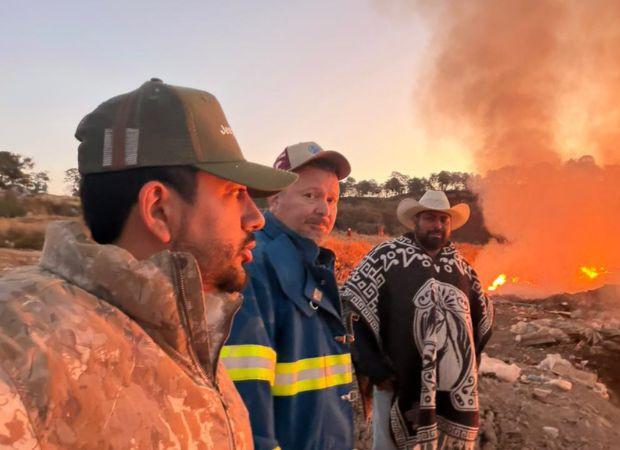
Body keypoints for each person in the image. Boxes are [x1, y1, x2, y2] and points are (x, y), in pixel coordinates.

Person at [0, 78, 297, 448]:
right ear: (158, 209)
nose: (257, 218)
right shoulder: (18, 353)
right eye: (233, 193)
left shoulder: (181, 331)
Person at [222, 142, 355, 449]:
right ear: (275, 197)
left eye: (332, 199)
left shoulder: (308, 263)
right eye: (310, 195)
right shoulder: (253, 265)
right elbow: (245, 403)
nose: (324, 210)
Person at [342, 190, 494, 450]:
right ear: (415, 221)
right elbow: (353, 310)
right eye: (430, 218)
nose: (437, 225)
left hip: (448, 389)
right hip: (395, 382)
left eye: (443, 220)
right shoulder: (385, 257)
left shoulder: (463, 268)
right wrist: (376, 369)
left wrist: (470, 367)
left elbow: (480, 323)